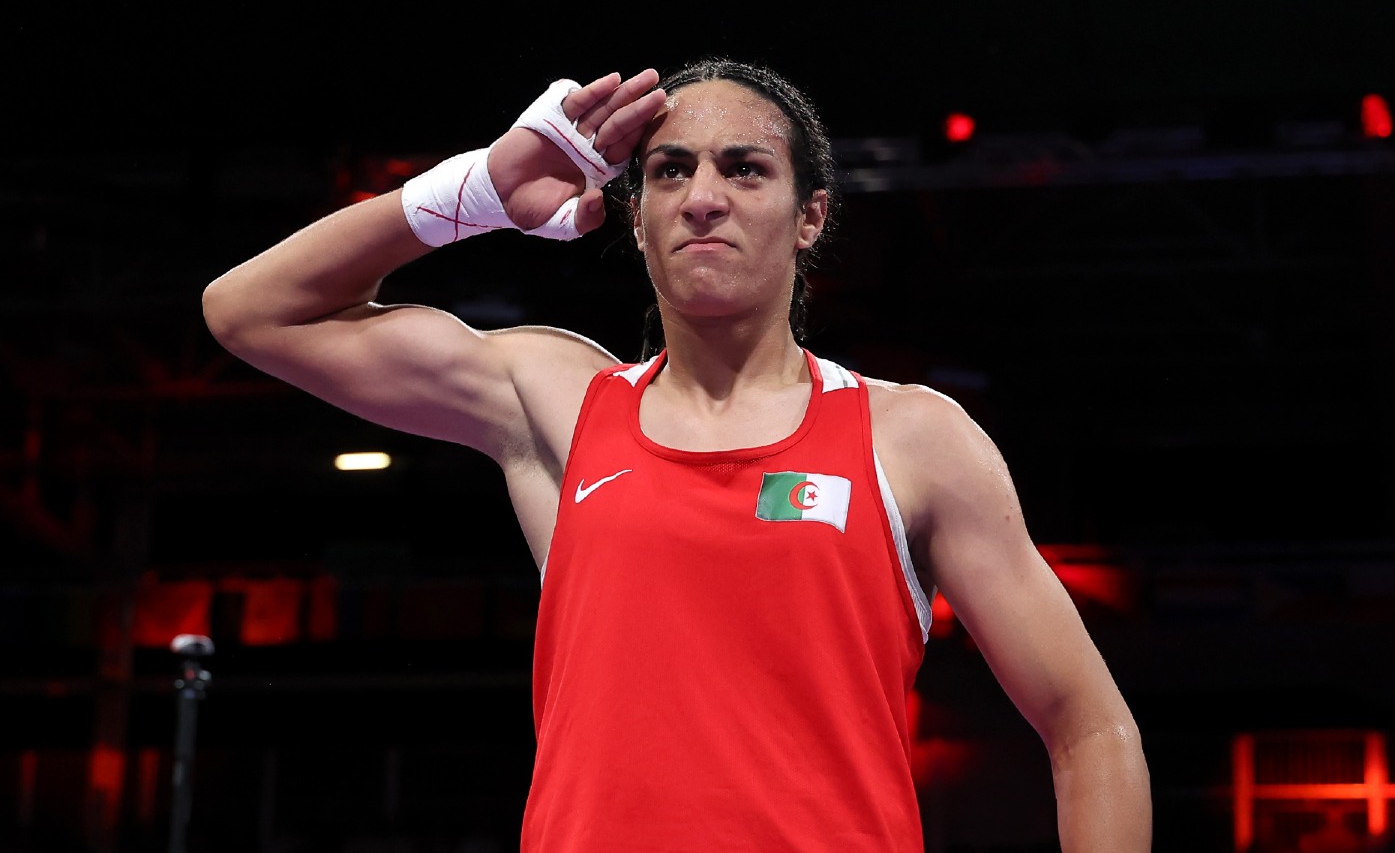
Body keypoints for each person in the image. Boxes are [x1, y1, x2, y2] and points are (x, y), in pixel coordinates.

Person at [202, 58, 1151, 851]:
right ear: (636, 214)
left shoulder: (912, 438)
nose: (703, 197)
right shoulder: (563, 404)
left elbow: (1091, 726)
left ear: (810, 215)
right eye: (668, 171)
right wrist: (474, 195)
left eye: (744, 169)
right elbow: (248, 312)